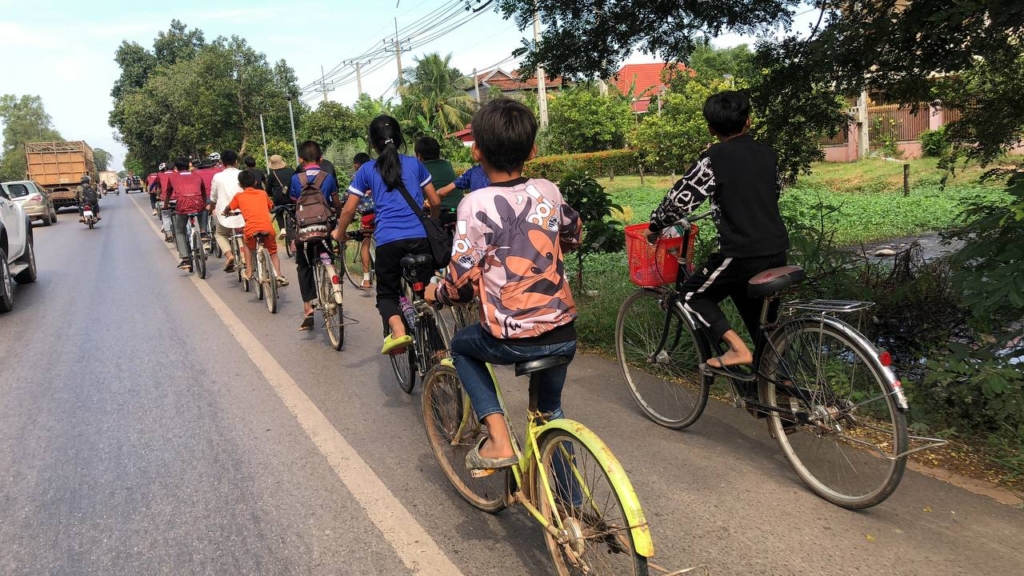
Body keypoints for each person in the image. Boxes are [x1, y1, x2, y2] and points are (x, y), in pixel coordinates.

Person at [424, 99, 582, 471]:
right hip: (562, 331)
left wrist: (439, 291)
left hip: (510, 337)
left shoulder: (475, 203)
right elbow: (573, 233)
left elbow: (461, 277)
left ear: (476, 150)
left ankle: (497, 438)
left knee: (462, 348)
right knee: (549, 415)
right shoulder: (549, 190)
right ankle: (573, 510)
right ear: (532, 150)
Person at [647, 90, 790, 388]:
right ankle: (778, 394)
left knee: (690, 296)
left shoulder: (713, 158)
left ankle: (736, 350)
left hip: (741, 254)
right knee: (762, 328)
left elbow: (680, 200)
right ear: (748, 121)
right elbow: (773, 192)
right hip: (777, 251)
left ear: (711, 128)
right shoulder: (768, 153)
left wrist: (656, 224)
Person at [331, 116, 442, 355]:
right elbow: (434, 200)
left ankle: (399, 332)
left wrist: (339, 233)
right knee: (426, 294)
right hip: (420, 239)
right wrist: (432, 220)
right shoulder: (415, 164)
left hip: (389, 242)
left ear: (372, 143)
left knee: (387, 294)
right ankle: (440, 352)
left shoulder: (367, 170)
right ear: (400, 138)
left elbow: (349, 209)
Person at [290, 141, 342, 330]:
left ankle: (308, 307)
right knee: (328, 254)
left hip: (304, 230)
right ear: (321, 159)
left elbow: (295, 202)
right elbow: (336, 202)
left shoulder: (296, 179)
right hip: (324, 227)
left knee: (303, 265)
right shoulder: (327, 177)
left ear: (301, 160)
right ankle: (333, 283)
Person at [225, 169, 289, 286]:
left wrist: (225, 211)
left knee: (248, 246)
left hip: (251, 229)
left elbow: (229, 207)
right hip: (268, 228)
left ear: (240, 185)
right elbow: (271, 207)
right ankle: (278, 275)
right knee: (273, 252)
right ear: (255, 183)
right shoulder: (262, 193)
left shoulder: (239, 196)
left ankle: (249, 271)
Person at [163, 157, 209, 270]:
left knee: (179, 232)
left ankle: (185, 259)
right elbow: (203, 192)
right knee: (203, 210)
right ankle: (203, 232)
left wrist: (165, 206)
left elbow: (168, 193)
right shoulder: (196, 175)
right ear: (188, 166)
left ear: (176, 168)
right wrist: (203, 203)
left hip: (182, 205)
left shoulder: (172, 176)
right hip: (198, 203)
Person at [209, 150, 245, 272]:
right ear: (236, 162)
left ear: (222, 163)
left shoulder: (217, 177)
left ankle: (229, 255)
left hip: (225, 214)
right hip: (244, 212)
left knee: (220, 234)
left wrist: (211, 207)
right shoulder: (242, 174)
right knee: (247, 234)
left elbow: (213, 197)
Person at [414, 137, 458, 232]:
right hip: (459, 208)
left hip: (438, 211)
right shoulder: (447, 164)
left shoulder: (419, 168)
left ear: (418, 155)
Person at [349, 152, 374, 289]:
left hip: (367, 215)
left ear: (356, 165)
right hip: (382, 213)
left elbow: (348, 196)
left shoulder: (357, 176)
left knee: (365, 244)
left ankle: (366, 279)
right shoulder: (377, 173)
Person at [266, 154, 295, 235]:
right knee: (294, 209)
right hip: (292, 197)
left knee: (278, 212)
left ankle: (282, 229)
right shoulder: (291, 171)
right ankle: (295, 222)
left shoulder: (272, 174)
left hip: (279, 199)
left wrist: (271, 195)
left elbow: (268, 190)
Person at [157, 162, 175, 242]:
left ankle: (168, 234)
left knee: (166, 216)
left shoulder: (160, 175)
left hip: (165, 199)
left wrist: (158, 195)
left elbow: (159, 188)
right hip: (178, 198)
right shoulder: (177, 174)